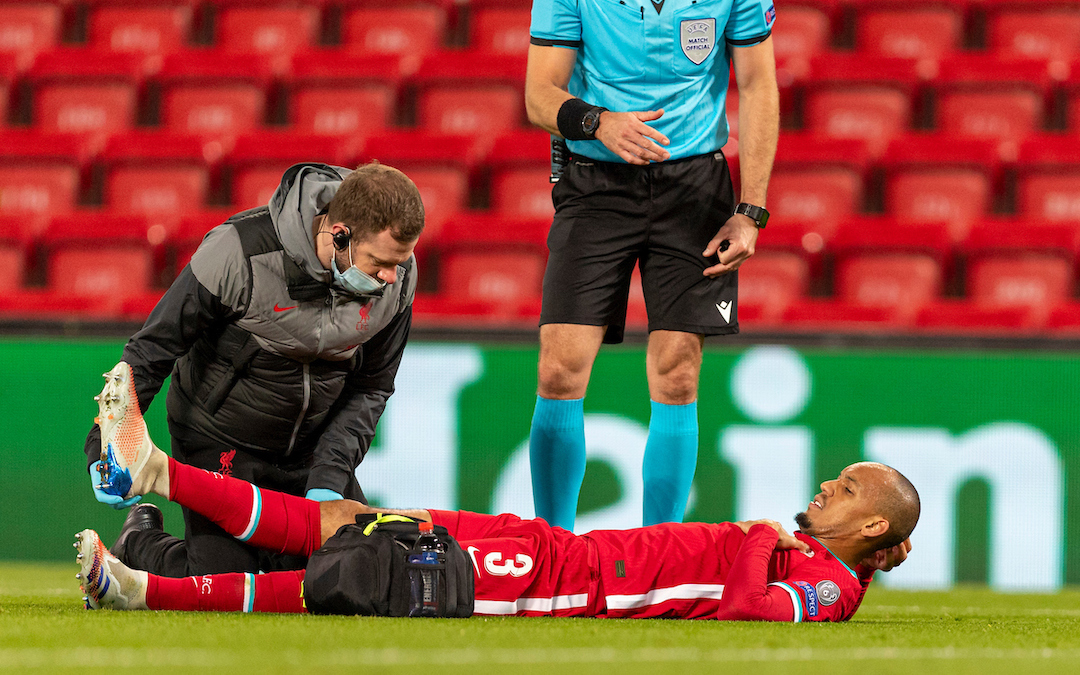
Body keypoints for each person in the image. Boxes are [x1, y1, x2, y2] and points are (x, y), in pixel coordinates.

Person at [77, 363, 917, 622]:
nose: (824, 487)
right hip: (561, 551)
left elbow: (754, 614)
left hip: (564, 584)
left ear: (872, 521)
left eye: (844, 489)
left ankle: (149, 588)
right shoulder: (824, 557)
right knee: (356, 521)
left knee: (362, 572)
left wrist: (755, 540)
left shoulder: (824, 580)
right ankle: (152, 471)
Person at [83, 162, 424, 578]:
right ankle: (137, 542)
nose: (392, 276)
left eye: (399, 262)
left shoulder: (400, 277)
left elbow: (371, 387)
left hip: (310, 451)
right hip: (219, 436)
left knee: (350, 579)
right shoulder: (237, 252)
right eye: (379, 263)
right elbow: (153, 350)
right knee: (224, 583)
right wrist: (104, 446)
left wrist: (329, 477)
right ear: (340, 235)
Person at [524, 0, 780, 530]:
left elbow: (758, 86)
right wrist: (598, 123)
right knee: (558, 369)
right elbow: (538, 95)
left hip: (695, 189)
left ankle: (658, 554)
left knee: (679, 374)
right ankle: (554, 549)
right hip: (596, 184)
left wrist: (750, 210)